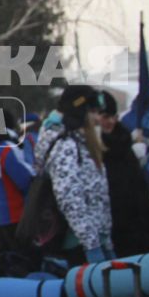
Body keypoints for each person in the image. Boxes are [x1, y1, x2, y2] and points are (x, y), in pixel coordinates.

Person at [36, 85, 114, 263]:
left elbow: (98, 195)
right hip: (80, 245)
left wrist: (106, 241)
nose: (97, 118)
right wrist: (92, 246)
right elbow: (69, 198)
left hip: (95, 238)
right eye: (93, 111)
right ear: (80, 112)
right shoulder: (66, 145)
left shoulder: (81, 141)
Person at [94, 89, 149, 256]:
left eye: (114, 116)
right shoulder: (93, 148)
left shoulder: (124, 141)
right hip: (114, 226)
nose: (110, 121)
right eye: (105, 117)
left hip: (139, 223)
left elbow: (140, 187)